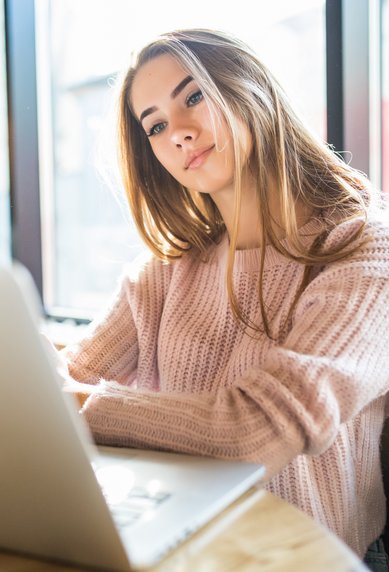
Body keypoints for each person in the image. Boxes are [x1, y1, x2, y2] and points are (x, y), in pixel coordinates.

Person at [58, 29, 389, 570]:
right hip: (179, 549)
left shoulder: (363, 251)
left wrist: (78, 406)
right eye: (157, 126)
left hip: (299, 557)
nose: (180, 133)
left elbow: (257, 430)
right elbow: (69, 380)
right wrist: (56, 392)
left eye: (193, 96)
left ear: (248, 88)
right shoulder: (165, 271)